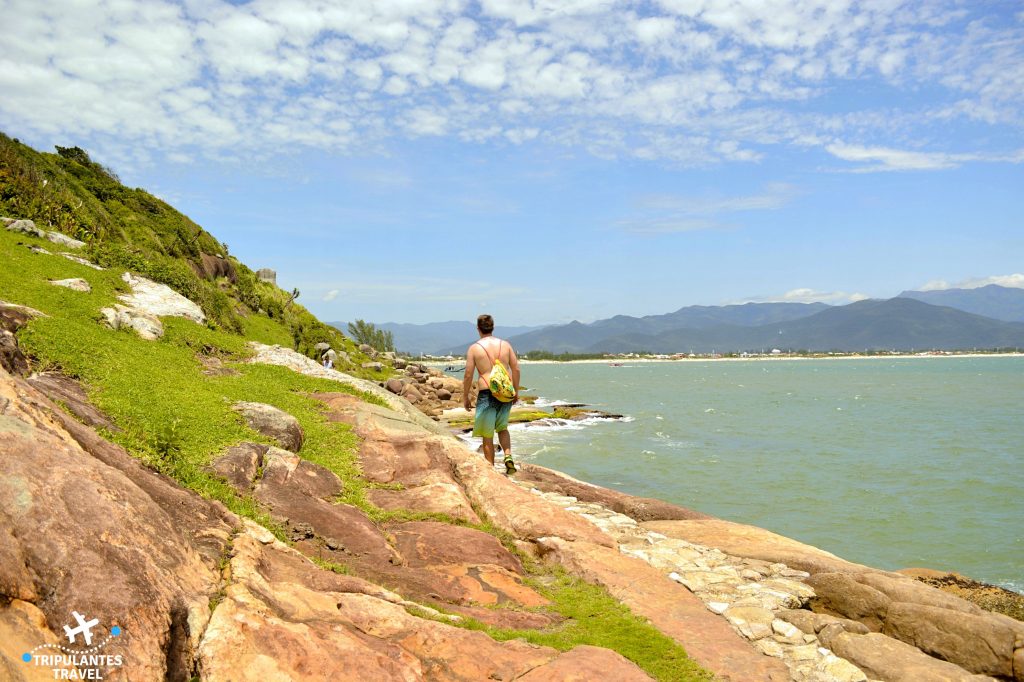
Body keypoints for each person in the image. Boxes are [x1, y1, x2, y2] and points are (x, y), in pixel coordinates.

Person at [463, 314, 520, 474]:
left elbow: (468, 374)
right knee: (502, 428)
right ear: (493, 327)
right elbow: (516, 369)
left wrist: (465, 396)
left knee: (487, 435)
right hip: (505, 393)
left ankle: (492, 470)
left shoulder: (475, 348)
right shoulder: (506, 345)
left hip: (487, 393)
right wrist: (515, 391)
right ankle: (508, 455)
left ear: (478, 328)